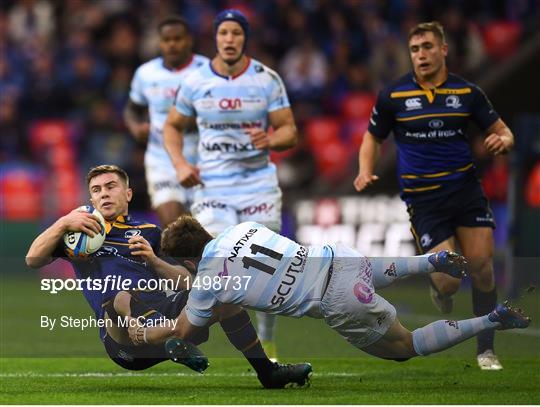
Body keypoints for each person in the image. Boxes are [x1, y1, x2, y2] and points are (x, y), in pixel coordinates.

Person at [25, 165, 311, 388]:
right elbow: (32, 260)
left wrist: (153, 260)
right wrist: (62, 222)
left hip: (162, 317)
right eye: (97, 190)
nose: (104, 194)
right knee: (118, 299)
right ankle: (173, 338)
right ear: (91, 199)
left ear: (128, 194)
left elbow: (188, 281)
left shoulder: (150, 231)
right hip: (123, 339)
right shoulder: (79, 232)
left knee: (222, 293)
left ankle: (267, 372)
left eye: (111, 186)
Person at [126, 216, 530, 366]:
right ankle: (428, 262)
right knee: (366, 272)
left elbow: (185, 330)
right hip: (336, 257)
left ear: (190, 261)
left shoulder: (209, 279)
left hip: (335, 300)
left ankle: (489, 319)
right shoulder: (240, 229)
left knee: (404, 348)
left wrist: (145, 333)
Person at [353, 21, 515, 370]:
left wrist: (502, 141)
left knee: (484, 268)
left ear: (443, 50)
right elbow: (372, 138)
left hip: (466, 192)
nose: (421, 55)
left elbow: (503, 131)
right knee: (449, 279)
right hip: (425, 201)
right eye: (414, 49)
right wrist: (365, 169)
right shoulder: (394, 95)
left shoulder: (468, 93)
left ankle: (486, 350)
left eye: (427, 47)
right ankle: (439, 289)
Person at [162, 9, 298, 360]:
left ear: (244, 38)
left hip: (257, 185)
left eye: (236, 33)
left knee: (268, 262)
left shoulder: (266, 79)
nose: (229, 39)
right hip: (213, 186)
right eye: (224, 33)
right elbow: (172, 126)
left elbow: (289, 131)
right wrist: (179, 164)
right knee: (213, 262)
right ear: (216, 38)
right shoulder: (194, 82)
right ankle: (190, 333)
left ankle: (267, 340)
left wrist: (269, 139)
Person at [124, 16, 208, 227]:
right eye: (166, 39)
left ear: (189, 40)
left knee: (206, 230)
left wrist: (196, 119)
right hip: (161, 160)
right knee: (174, 227)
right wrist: (136, 128)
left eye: (178, 38)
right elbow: (132, 109)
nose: (172, 44)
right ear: (160, 42)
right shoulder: (145, 73)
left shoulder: (207, 71)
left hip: (202, 161)